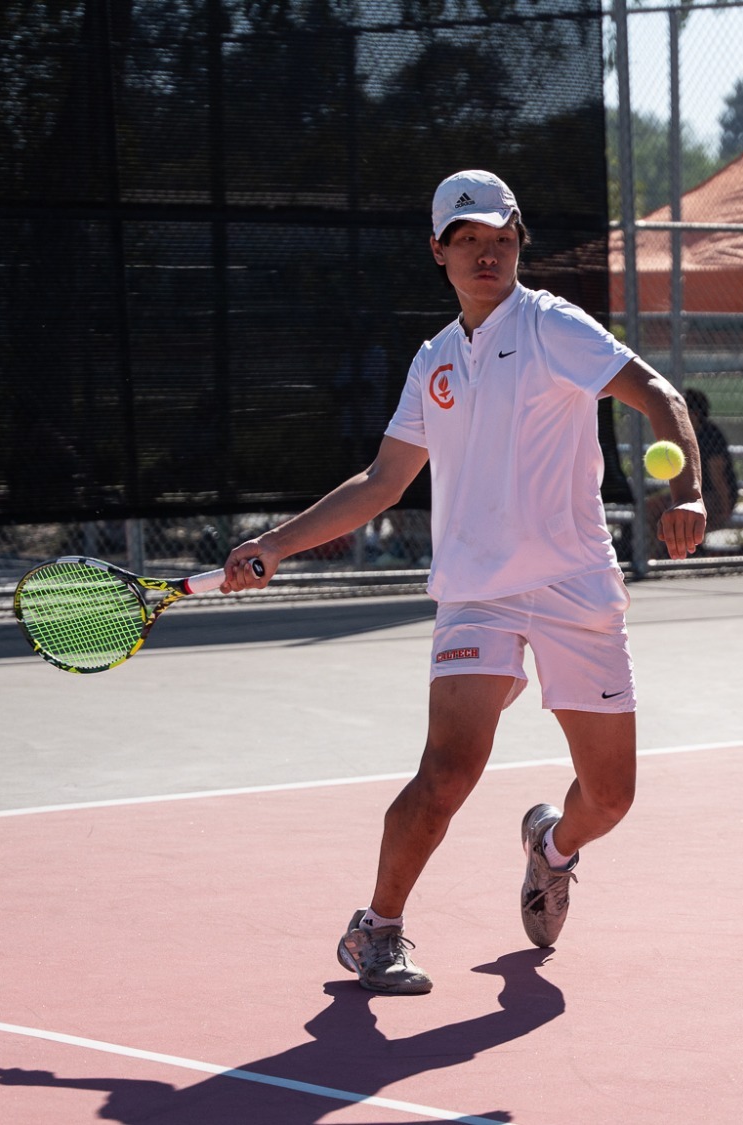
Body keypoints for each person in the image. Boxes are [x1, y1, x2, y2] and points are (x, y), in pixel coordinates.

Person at [221, 170, 708, 995]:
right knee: (448, 770)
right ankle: (375, 930)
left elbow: (655, 393)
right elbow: (382, 483)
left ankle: (551, 847)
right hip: (476, 591)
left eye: (504, 239)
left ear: (519, 244)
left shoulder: (553, 326)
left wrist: (688, 486)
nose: (490, 253)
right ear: (439, 251)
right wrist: (276, 542)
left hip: (574, 584)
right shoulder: (434, 361)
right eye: (472, 240)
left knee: (612, 797)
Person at [645, 387, 736, 538]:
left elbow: (718, 477)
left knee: (675, 514)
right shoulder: (682, 435)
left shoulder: (711, 435)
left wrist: (725, 509)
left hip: (715, 496)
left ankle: (673, 554)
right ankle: (653, 556)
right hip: (692, 494)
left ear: (696, 414)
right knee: (650, 508)